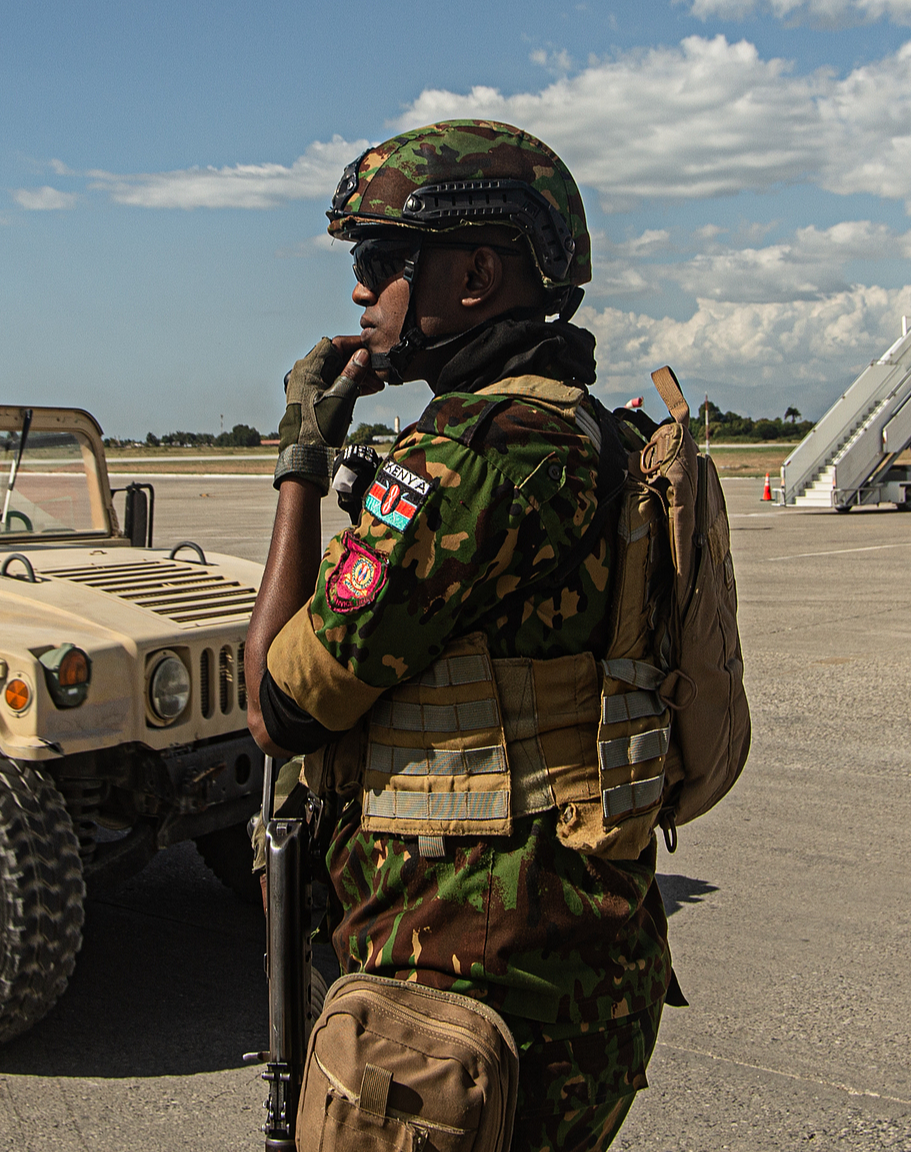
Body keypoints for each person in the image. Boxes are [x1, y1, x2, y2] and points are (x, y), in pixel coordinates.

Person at [245, 120, 669, 1151]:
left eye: (381, 261)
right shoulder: (595, 433)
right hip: (578, 955)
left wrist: (303, 462)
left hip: (457, 972)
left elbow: (279, 704)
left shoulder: (466, 456)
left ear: (475, 273)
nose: (359, 292)